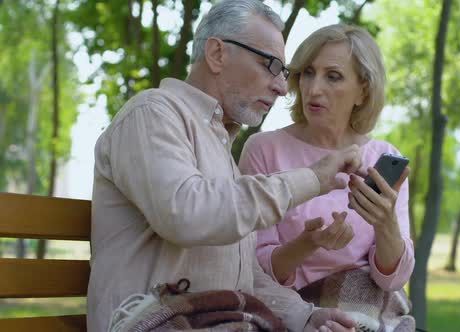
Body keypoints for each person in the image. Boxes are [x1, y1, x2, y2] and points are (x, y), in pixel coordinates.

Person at [87, 2, 363, 331]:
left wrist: (305, 316)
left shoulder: (220, 148)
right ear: (217, 54)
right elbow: (187, 213)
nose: (280, 87)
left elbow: (243, 276)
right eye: (270, 65)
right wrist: (313, 178)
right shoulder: (151, 114)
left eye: (283, 74)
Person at [238, 24, 415, 329]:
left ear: (363, 90)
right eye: (307, 72)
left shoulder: (385, 158)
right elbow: (254, 269)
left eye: (332, 76)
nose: (313, 88)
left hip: (366, 307)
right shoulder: (263, 149)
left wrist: (386, 223)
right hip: (286, 309)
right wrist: (309, 243)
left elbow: (392, 279)